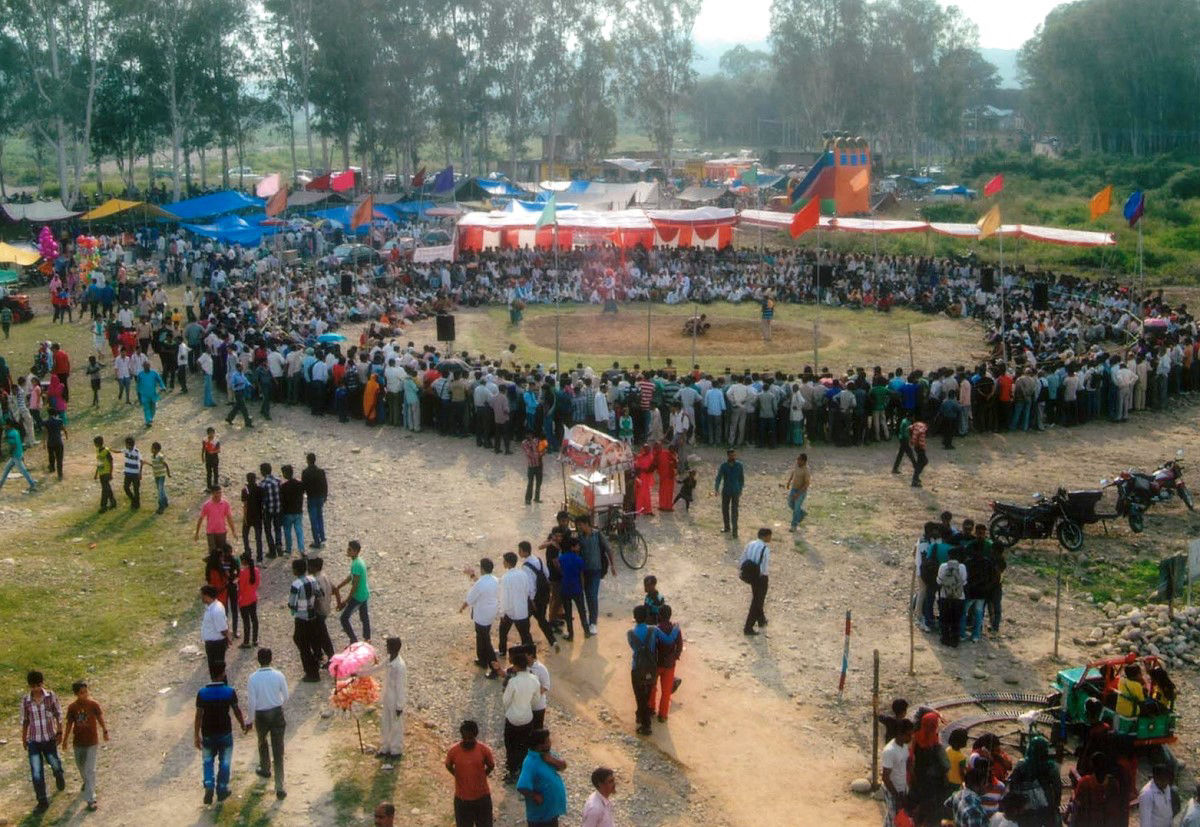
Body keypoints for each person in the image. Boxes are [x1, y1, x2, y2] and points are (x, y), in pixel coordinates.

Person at [194, 665, 249, 805]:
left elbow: (199, 716)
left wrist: (196, 735)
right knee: (224, 762)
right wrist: (243, 724)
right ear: (222, 674)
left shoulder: (202, 693)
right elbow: (236, 711)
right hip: (225, 731)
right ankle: (222, 788)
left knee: (207, 761)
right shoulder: (229, 691)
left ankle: (209, 784)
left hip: (207, 732)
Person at [246, 647, 289, 800]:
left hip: (261, 715)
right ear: (271, 659)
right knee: (278, 750)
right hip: (277, 712)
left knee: (262, 742)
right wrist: (278, 704)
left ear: (258, 660)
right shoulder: (278, 675)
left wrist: (249, 720)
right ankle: (280, 786)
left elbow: (251, 702)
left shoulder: (253, 678)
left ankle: (265, 768)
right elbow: (286, 696)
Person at [20, 670, 65, 812]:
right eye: (32, 686)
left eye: (38, 685)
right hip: (34, 740)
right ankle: (42, 800)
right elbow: (25, 721)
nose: (36, 689)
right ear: (29, 686)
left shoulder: (50, 697)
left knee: (54, 763)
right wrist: (24, 738)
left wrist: (60, 732)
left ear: (42, 683)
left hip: (49, 738)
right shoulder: (26, 701)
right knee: (36, 772)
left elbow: (58, 715)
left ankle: (59, 775)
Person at [62, 680, 108, 812]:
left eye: (86, 691)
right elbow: (69, 724)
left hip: (92, 742)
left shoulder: (93, 705)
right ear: (76, 694)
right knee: (81, 766)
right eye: (82, 693)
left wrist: (105, 730)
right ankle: (86, 782)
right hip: (78, 742)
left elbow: (100, 718)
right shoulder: (72, 708)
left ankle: (91, 799)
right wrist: (65, 740)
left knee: (90, 769)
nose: (85, 694)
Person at [445, 720, 496, 827]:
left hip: (482, 799)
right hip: (462, 800)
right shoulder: (453, 751)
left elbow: (491, 765)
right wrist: (457, 775)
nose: (467, 741)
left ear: (475, 735)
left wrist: (482, 776)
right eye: (465, 738)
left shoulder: (484, 750)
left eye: (470, 738)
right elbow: (448, 765)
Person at [1004, 735, 1060, 827]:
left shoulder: (1022, 764)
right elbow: (1057, 789)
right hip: (1045, 804)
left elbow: (1012, 785)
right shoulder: (1052, 767)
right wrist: (1055, 805)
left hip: (1025, 807)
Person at [501, 651, 540, 783]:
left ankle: (512, 771)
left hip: (513, 719)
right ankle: (523, 771)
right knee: (523, 745)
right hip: (527, 718)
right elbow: (536, 700)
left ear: (516, 666)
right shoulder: (534, 680)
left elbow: (505, 700)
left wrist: (510, 709)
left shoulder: (513, 682)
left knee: (511, 745)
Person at [516, 728, 568, 827]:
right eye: (547, 741)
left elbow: (563, 766)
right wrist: (535, 796)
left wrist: (552, 760)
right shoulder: (530, 762)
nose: (550, 743)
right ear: (539, 746)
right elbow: (522, 786)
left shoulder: (547, 754)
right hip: (540, 817)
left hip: (551, 812)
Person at [462, 558, 501, 678]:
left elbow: (470, 598)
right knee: (481, 636)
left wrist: (462, 608)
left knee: (485, 640)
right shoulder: (495, 579)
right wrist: (472, 575)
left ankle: (494, 669)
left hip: (482, 614)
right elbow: (481, 585)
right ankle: (482, 660)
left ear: (482, 569)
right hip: (490, 613)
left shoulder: (481, 583)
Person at [576, 515, 615, 635]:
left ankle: (593, 623)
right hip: (585, 571)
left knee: (592, 595)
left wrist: (613, 566)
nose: (579, 527)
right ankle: (591, 621)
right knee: (588, 596)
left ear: (586, 523)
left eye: (580, 524)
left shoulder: (597, 535)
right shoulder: (580, 537)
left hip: (596, 570)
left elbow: (608, 549)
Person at [1068, 752, 1127, 827]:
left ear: (1092, 765)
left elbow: (1077, 803)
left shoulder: (1085, 782)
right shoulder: (1113, 783)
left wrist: (1073, 791)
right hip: (1106, 821)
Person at [287, 558, 322, 682]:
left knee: (302, 645)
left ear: (296, 570)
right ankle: (317, 661)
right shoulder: (313, 579)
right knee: (311, 641)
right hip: (312, 616)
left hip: (301, 618)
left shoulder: (296, 584)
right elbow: (320, 593)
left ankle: (311, 672)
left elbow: (291, 603)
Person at [647, 604, 683, 722]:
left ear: (659, 615)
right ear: (670, 615)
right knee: (666, 691)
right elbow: (680, 645)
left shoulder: (655, 630)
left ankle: (651, 709)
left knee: (652, 687)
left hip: (656, 664)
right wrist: (675, 656)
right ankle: (662, 715)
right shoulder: (675, 629)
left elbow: (652, 647)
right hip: (669, 665)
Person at [374, 637, 407, 760]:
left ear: (394, 648)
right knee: (386, 723)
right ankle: (385, 748)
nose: (386, 648)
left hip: (395, 700)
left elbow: (401, 687)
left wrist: (400, 705)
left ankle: (396, 750)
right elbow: (376, 668)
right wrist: (359, 672)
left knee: (396, 725)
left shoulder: (399, 666)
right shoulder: (389, 660)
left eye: (388, 645)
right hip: (387, 697)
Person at [335, 540, 371, 643]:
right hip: (364, 593)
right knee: (364, 616)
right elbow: (351, 577)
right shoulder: (358, 561)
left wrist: (346, 600)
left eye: (349, 549)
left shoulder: (356, 564)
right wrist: (339, 586)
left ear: (355, 551)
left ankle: (354, 640)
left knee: (344, 618)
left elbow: (354, 585)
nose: (347, 551)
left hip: (358, 595)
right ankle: (367, 638)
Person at [498, 551, 534, 655]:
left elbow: (504, 597)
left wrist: (502, 612)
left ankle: (502, 651)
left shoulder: (506, 577)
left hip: (510, 611)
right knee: (525, 635)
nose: (503, 563)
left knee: (503, 632)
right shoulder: (523, 574)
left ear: (508, 563)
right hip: (522, 610)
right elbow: (528, 590)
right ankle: (530, 655)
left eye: (504, 561)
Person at [738, 528, 772, 635]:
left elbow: (743, 558)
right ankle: (748, 627)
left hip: (751, 575)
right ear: (765, 536)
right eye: (769, 536)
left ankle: (761, 620)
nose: (770, 538)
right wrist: (763, 577)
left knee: (757, 598)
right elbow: (764, 567)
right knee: (757, 601)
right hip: (760, 577)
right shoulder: (765, 549)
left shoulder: (750, 544)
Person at [882, 718, 914, 827]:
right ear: (900, 734)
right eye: (908, 735)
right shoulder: (889, 751)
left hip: (901, 787)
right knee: (893, 818)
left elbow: (905, 765)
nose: (911, 738)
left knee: (897, 817)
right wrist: (897, 796)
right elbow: (885, 777)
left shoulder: (904, 746)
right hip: (892, 790)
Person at [307, 556, 336, 666]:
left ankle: (330, 656)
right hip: (325, 609)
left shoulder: (315, 580)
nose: (307, 568)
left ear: (314, 567)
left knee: (322, 635)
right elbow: (334, 589)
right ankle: (320, 654)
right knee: (319, 634)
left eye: (309, 566)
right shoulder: (324, 575)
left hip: (319, 611)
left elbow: (316, 598)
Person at [200, 584, 231, 680]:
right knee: (214, 670)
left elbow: (222, 629)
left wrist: (227, 638)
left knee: (217, 670)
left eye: (202, 595)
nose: (201, 597)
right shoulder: (212, 607)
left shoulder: (216, 610)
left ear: (207, 596)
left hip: (216, 645)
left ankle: (220, 690)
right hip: (213, 644)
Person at [195, 485, 236, 554]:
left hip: (222, 532)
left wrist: (233, 531)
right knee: (213, 553)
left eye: (220, 493)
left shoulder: (225, 504)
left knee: (222, 552)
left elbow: (229, 518)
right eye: (217, 493)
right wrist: (197, 533)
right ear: (212, 493)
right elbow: (201, 519)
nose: (219, 495)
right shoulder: (207, 505)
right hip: (211, 532)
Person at [0, 418, 37, 493]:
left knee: (23, 471)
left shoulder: (10, 433)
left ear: (8, 425)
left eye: (6, 425)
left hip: (15, 455)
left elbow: (13, 445)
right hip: (18, 454)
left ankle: (32, 484)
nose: (5, 426)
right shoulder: (15, 431)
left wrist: (9, 452)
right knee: (6, 470)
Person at [714, 448, 744, 537]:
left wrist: (740, 489)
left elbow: (741, 479)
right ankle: (727, 527)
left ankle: (735, 531)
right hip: (726, 490)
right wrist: (716, 488)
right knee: (725, 509)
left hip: (735, 490)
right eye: (731, 455)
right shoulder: (723, 466)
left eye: (734, 455)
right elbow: (719, 477)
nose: (733, 457)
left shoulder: (739, 465)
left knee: (734, 511)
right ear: (728, 456)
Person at [301, 453, 328, 549]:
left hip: (311, 498)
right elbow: (325, 485)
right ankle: (322, 536)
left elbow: (303, 487)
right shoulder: (320, 471)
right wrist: (325, 496)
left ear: (307, 460)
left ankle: (317, 541)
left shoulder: (305, 472)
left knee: (313, 520)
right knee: (320, 517)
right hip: (320, 497)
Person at [279, 464, 306, 556]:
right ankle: (301, 549)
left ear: (285, 473)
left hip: (288, 512)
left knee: (287, 532)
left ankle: (288, 550)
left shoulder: (283, 486)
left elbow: (282, 501)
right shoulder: (300, 484)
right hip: (298, 511)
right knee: (299, 531)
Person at [237, 552, 260, 647]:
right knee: (254, 619)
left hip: (244, 600)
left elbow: (241, 588)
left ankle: (246, 642)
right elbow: (257, 584)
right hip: (253, 597)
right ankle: (255, 640)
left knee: (246, 621)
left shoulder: (242, 573)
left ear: (243, 561)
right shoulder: (256, 570)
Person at [784, 453, 810, 531]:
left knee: (796, 508)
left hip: (801, 491)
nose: (797, 461)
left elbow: (807, 484)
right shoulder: (796, 465)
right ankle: (802, 514)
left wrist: (798, 494)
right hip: (793, 489)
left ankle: (793, 526)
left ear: (804, 461)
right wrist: (788, 482)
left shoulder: (806, 470)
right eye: (797, 459)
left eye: (799, 460)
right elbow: (793, 473)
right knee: (790, 503)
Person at [135, 361, 166, 426]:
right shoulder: (140, 374)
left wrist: (163, 387)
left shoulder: (154, 373)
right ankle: (148, 420)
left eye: (148, 365)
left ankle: (150, 418)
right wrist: (138, 393)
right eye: (145, 366)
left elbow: (159, 380)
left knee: (153, 408)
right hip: (144, 395)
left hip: (153, 394)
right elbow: (138, 384)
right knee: (146, 408)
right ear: (143, 367)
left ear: (150, 366)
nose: (147, 367)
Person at [93, 435, 117, 511]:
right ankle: (113, 502)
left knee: (104, 489)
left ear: (97, 444)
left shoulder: (106, 451)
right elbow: (99, 462)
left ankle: (103, 506)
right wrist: (96, 474)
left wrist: (110, 473)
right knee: (107, 488)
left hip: (106, 472)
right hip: (101, 472)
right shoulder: (98, 450)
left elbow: (111, 462)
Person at [226, 363, 253, 428]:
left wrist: (250, 385)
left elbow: (245, 381)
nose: (242, 368)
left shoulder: (242, 374)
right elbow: (232, 384)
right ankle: (248, 422)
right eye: (241, 367)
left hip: (242, 392)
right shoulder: (234, 375)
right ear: (237, 368)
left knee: (237, 407)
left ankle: (229, 418)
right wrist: (237, 385)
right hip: (238, 392)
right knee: (244, 408)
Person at [522, 432, 546, 505]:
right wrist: (542, 453)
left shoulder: (536, 441)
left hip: (538, 465)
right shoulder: (525, 443)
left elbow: (542, 449)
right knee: (530, 483)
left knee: (538, 483)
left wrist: (542, 450)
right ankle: (528, 499)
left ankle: (536, 498)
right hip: (532, 466)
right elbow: (531, 454)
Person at [43, 409, 66, 481]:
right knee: (59, 459)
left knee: (51, 456)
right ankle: (60, 474)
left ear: (48, 414)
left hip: (50, 442)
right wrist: (66, 435)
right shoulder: (59, 421)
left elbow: (45, 433)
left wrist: (44, 443)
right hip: (58, 442)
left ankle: (52, 468)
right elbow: (64, 429)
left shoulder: (46, 422)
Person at [150, 440, 171, 513]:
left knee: (160, 490)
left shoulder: (160, 456)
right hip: (156, 475)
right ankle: (165, 502)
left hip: (161, 475)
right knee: (160, 490)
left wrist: (168, 473)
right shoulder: (152, 456)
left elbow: (165, 464)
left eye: (152, 448)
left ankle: (161, 506)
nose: (151, 449)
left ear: (157, 450)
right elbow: (154, 465)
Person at [201, 427, 220, 491]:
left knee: (215, 472)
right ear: (208, 433)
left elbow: (218, 450)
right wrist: (202, 457)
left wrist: (213, 451)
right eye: (210, 433)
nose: (212, 434)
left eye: (213, 433)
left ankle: (216, 485)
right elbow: (203, 448)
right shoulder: (205, 440)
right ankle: (209, 487)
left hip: (215, 459)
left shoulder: (216, 441)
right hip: (208, 459)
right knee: (209, 473)